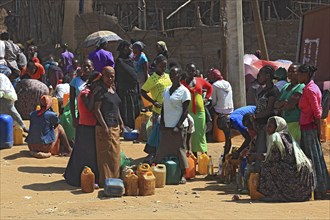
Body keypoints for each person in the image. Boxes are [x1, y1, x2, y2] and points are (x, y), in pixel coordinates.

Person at [258, 116, 314, 202]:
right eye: (267, 125)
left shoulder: (276, 137)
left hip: (293, 171)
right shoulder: (287, 135)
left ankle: (275, 195)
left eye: (270, 126)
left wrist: (257, 157)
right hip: (301, 173)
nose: (267, 128)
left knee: (266, 166)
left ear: (277, 127)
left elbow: (273, 158)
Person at [64, 72, 101, 187]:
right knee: (85, 154)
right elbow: (89, 108)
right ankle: (81, 178)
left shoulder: (89, 92)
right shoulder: (86, 93)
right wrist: (95, 95)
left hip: (88, 125)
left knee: (82, 152)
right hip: (85, 125)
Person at [297, 64, 329, 199]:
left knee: (313, 159)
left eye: (299, 74)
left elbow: (317, 112)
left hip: (309, 128)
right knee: (313, 158)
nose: (297, 76)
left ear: (306, 74)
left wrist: (317, 130)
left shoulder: (310, 89)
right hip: (307, 127)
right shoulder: (309, 88)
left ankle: (319, 189)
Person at [155, 66, 190, 184]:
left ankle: (183, 174)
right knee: (162, 149)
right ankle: (158, 173)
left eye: (174, 74)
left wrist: (178, 126)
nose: (172, 77)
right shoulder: (167, 89)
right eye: (170, 74)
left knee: (179, 150)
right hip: (167, 126)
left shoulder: (184, 91)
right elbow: (164, 108)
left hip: (178, 127)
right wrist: (163, 123)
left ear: (180, 76)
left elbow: (185, 111)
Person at [94, 66, 124, 187]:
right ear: (103, 76)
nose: (110, 78)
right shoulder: (100, 91)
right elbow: (96, 110)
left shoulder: (113, 89)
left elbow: (116, 108)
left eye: (112, 76)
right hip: (104, 128)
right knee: (105, 157)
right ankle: (105, 182)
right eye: (108, 76)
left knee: (115, 156)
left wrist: (121, 122)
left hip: (115, 127)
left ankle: (115, 180)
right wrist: (104, 126)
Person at [141, 55, 172, 156]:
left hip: (169, 110)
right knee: (157, 134)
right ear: (156, 65)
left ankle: (164, 152)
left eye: (165, 66)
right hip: (158, 111)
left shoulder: (167, 76)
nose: (163, 68)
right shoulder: (153, 79)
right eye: (161, 66)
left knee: (167, 134)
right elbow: (143, 91)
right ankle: (155, 154)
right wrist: (153, 102)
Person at [251, 65, 280, 170]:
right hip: (260, 124)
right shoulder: (263, 90)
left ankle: (263, 174)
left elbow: (269, 110)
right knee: (259, 148)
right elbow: (258, 107)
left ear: (268, 76)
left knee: (264, 150)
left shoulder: (273, 91)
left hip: (267, 125)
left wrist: (255, 117)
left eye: (261, 75)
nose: (259, 77)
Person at [181, 63, 213, 157]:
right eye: (189, 70)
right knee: (191, 134)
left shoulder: (200, 80)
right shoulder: (182, 83)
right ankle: (194, 155)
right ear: (185, 71)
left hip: (200, 112)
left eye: (193, 70)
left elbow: (210, 88)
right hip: (188, 112)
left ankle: (204, 154)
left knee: (201, 133)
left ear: (195, 71)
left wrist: (206, 98)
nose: (191, 72)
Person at [275, 64, 304, 142]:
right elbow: (276, 104)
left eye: (293, 71)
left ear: (299, 73)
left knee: (293, 146)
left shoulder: (300, 86)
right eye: (289, 71)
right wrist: (284, 102)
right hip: (283, 122)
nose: (290, 73)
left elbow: (289, 106)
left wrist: (282, 104)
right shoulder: (285, 86)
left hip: (294, 122)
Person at [115, 40, 141, 129]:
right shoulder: (119, 61)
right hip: (125, 91)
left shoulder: (130, 60)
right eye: (129, 47)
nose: (131, 49)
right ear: (124, 48)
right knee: (127, 112)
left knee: (134, 111)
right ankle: (126, 128)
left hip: (134, 90)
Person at [208, 67, 234, 153]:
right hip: (230, 109)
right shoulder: (228, 83)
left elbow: (214, 101)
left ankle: (211, 134)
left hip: (220, 110)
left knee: (208, 111)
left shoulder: (215, 85)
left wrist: (210, 105)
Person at [69, 59, 94, 128]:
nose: (86, 68)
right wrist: (74, 118)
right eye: (84, 66)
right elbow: (71, 101)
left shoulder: (96, 81)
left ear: (93, 68)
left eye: (88, 66)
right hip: (81, 114)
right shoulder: (75, 81)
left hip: (94, 114)